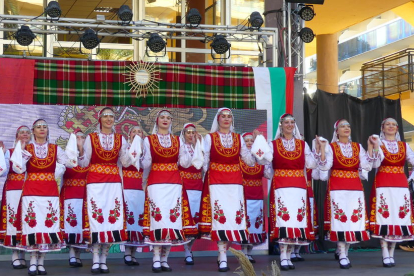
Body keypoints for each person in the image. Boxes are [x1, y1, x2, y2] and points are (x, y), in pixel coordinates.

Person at [11, 119, 77, 276]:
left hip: (49, 192)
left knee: (48, 225)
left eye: (44, 127)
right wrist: (22, 154)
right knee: (33, 225)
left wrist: (72, 151)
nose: (42, 129)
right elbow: (17, 168)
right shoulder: (26, 148)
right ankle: (33, 261)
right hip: (31, 191)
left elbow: (71, 163)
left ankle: (41, 263)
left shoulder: (55, 149)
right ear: (33, 131)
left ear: (48, 130)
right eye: (38, 127)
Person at [199, 107, 256, 272]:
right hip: (216, 182)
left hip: (235, 184)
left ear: (232, 120)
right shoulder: (210, 138)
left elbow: (250, 161)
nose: (226, 119)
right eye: (223, 116)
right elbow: (205, 162)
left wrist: (258, 145)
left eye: (229, 116)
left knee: (232, 219)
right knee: (220, 219)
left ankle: (223, 254)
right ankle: (222, 255)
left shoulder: (238, 138)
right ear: (218, 119)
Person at [78, 107, 134, 274]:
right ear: (100, 119)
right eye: (106, 116)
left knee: (112, 219)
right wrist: (80, 149)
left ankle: (104, 259)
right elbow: (83, 163)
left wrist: (133, 150)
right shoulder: (91, 138)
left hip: (113, 183)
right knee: (97, 217)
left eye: (111, 116)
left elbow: (125, 162)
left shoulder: (120, 139)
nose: (109, 119)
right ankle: (95, 259)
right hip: (95, 182)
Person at [317, 119, 379, 269]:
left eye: (348, 126)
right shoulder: (332, 147)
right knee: (340, 220)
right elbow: (325, 166)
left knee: (352, 220)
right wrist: (323, 150)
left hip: (355, 188)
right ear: (336, 131)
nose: (346, 128)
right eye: (342, 126)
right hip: (337, 187)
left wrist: (372, 148)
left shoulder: (357, 147)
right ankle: (342, 254)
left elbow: (367, 165)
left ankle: (344, 251)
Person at [141, 110, 199, 273]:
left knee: (172, 220)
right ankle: (156, 259)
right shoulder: (149, 140)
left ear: (171, 121)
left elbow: (185, 163)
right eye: (163, 118)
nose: (165, 120)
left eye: (168, 118)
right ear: (157, 121)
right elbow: (146, 164)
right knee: (158, 220)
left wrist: (191, 147)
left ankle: (165, 260)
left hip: (174, 184)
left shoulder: (177, 140)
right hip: (156, 183)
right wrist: (139, 155)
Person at [260, 114, 317, 271]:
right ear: (281, 125)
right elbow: (267, 165)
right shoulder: (273, 144)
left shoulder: (302, 144)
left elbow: (311, 163)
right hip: (281, 186)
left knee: (295, 221)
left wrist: (318, 150)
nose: (290, 125)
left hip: (299, 187)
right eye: (286, 122)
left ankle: (289, 254)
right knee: (283, 221)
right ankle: (283, 257)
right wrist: (261, 147)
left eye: (292, 122)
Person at [369, 118, 414, 267]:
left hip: (400, 185)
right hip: (383, 182)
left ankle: (392, 253)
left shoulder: (404, 145)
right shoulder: (378, 143)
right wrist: (375, 147)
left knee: (397, 217)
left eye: (394, 124)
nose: (391, 126)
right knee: (385, 216)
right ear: (382, 128)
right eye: (388, 124)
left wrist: (410, 178)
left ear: (397, 128)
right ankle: (384, 253)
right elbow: (374, 163)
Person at [0, 126, 31, 269]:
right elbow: (2, 170)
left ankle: (24, 254)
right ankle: (14, 255)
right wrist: (1, 152)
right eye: (21, 133)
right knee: (13, 221)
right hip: (13, 189)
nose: (25, 134)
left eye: (27, 132)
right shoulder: (10, 152)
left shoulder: (35, 151)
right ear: (16, 136)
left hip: (30, 189)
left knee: (26, 220)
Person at [60, 130, 89, 268]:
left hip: (84, 193)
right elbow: (68, 166)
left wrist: (82, 149)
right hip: (70, 193)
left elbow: (84, 164)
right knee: (71, 223)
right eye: (77, 138)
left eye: (83, 138)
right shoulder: (65, 155)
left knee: (82, 224)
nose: (80, 140)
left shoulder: (88, 156)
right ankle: (72, 254)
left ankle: (78, 255)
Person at [178, 123, 204, 265]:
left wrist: (198, 146)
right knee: (184, 221)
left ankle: (189, 249)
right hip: (184, 187)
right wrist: (193, 148)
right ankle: (186, 250)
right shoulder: (180, 147)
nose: (191, 134)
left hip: (198, 187)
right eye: (188, 132)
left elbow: (204, 166)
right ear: (183, 134)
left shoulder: (200, 147)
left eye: (193, 132)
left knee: (195, 223)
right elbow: (185, 163)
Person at [240, 132, 266, 263]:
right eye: (246, 141)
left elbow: (267, 173)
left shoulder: (260, 158)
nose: (249, 142)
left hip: (257, 195)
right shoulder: (239, 159)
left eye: (251, 140)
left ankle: (249, 252)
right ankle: (244, 252)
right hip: (243, 194)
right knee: (245, 223)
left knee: (255, 223)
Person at [122, 125, 146, 266]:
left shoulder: (146, 150)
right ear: (129, 134)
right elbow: (124, 163)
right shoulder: (125, 148)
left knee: (139, 220)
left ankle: (134, 253)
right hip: (126, 186)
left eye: (139, 131)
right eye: (134, 131)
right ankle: (126, 253)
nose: (136, 134)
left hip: (140, 187)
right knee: (129, 219)